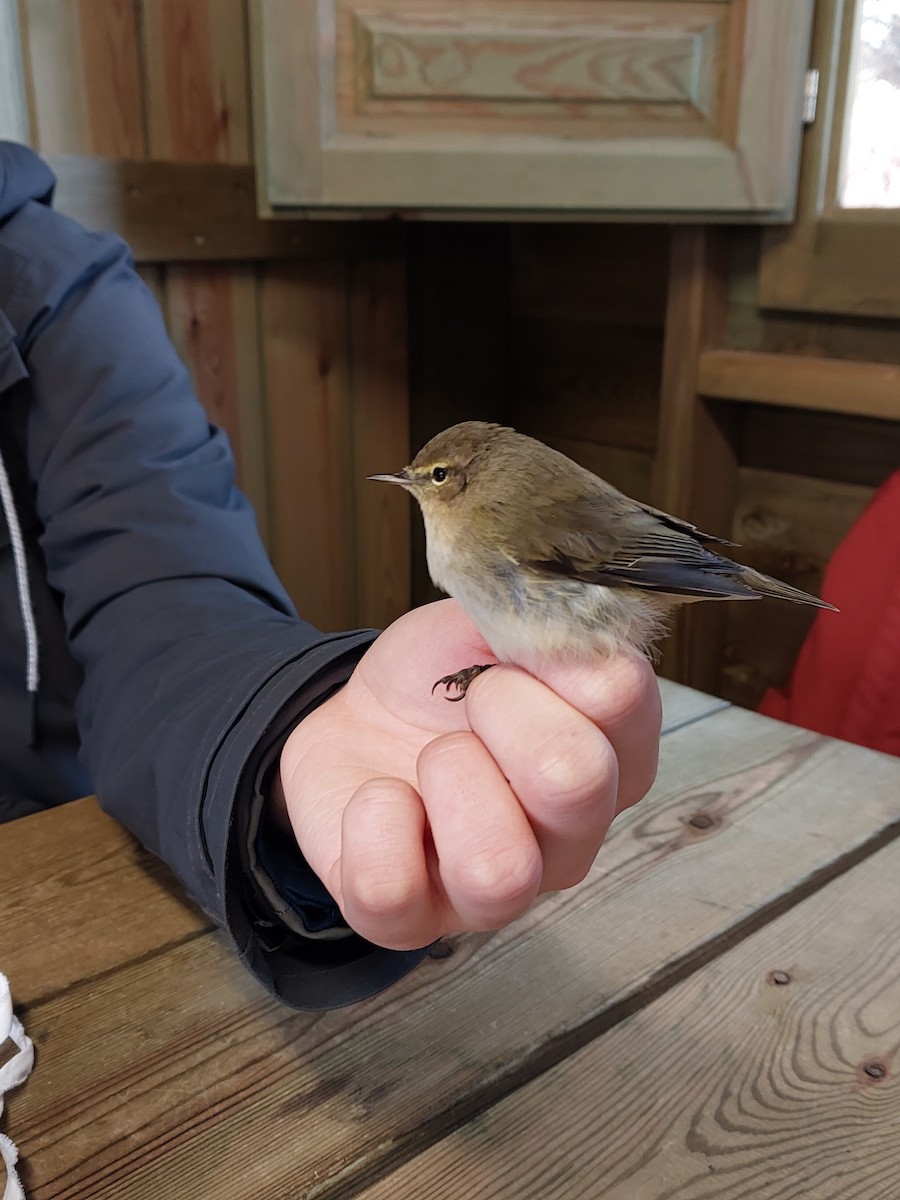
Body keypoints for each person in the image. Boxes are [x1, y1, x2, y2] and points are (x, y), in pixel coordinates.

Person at [0, 141, 662, 1010]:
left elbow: (161, 582)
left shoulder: (50, 286)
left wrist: (275, 746)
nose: (414, 487)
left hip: (59, 861)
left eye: (432, 479)